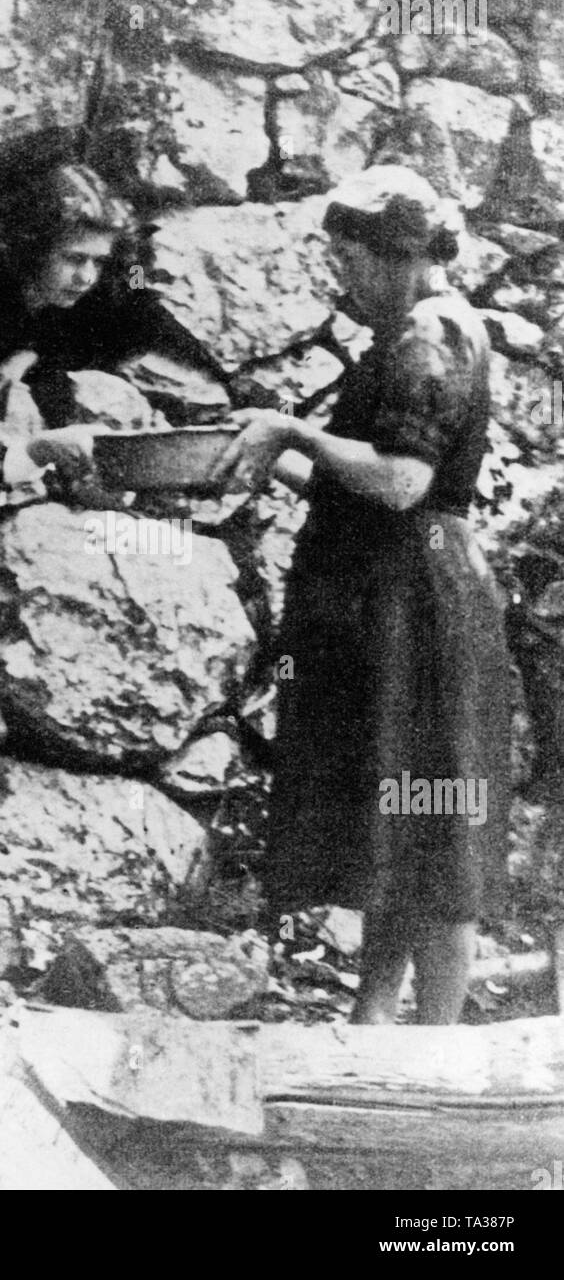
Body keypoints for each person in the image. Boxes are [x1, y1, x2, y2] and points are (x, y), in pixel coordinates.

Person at [217, 166, 512, 1025]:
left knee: (435, 831)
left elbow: (401, 482)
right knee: (399, 822)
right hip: (397, 598)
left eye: (348, 258)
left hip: (421, 607)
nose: (339, 275)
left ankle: (435, 1054)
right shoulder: (414, 334)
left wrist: (292, 428)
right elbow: (361, 484)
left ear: (400, 256)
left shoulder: (430, 338)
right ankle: (375, 1023)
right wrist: (278, 455)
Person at [0, 162, 231, 497]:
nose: (86, 277)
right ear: (33, 250)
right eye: (74, 259)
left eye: (97, 262)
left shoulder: (63, 296)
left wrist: (30, 353)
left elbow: (136, 318)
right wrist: (39, 449)